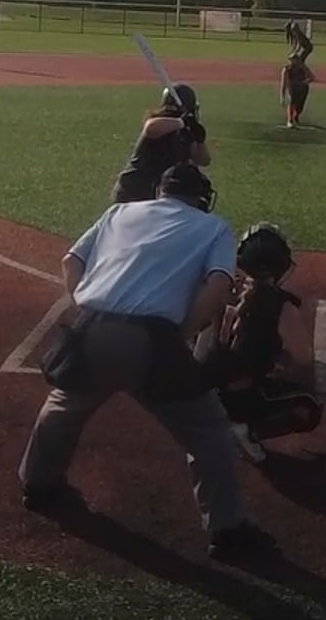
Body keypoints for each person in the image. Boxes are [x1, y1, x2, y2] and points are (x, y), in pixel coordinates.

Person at [17, 164, 278, 562]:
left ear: (160, 190)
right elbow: (218, 284)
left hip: (91, 327)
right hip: (152, 339)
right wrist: (181, 333)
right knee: (207, 430)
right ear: (201, 198)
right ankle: (227, 531)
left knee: (64, 406)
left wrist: (87, 309)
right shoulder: (214, 227)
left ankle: (37, 485)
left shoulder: (120, 212)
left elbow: (70, 262)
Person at [196, 223, 323, 464]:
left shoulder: (223, 287)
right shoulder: (279, 304)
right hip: (237, 397)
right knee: (310, 405)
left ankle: (214, 420)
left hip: (203, 392)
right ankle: (244, 430)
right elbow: (303, 358)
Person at [110, 84, 211, 204]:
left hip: (157, 194)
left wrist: (200, 141)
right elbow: (151, 128)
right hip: (134, 192)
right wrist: (181, 122)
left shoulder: (185, 130)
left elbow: (203, 160)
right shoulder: (162, 123)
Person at [279, 55, 314, 128]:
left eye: (294, 59)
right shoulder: (287, 69)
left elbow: (311, 77)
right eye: (291, 60)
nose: (292, 61)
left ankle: (296, 115)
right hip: (292, 87)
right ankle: (290, 120)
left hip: (303, 88)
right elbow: (284, 83)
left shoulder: (302, 67)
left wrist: (305, 81)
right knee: (292, 102)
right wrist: (282, 96)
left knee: (300, 106)